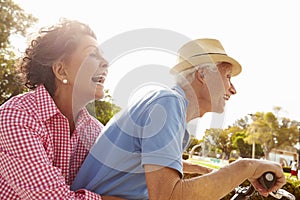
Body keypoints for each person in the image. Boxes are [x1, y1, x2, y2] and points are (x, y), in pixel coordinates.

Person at [71, 38, 286, 199]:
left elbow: (149, 160)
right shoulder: (167, 103)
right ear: (203, 75)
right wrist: (245, 166)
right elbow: (168, 196)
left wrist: (206, 170)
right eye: (227, 77)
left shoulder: (165, 103)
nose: (233, 89)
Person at [0, 19, 122, 199]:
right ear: (61, 70)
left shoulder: (95, 132)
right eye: (92, 55)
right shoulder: (15, 117)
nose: (105, 62)